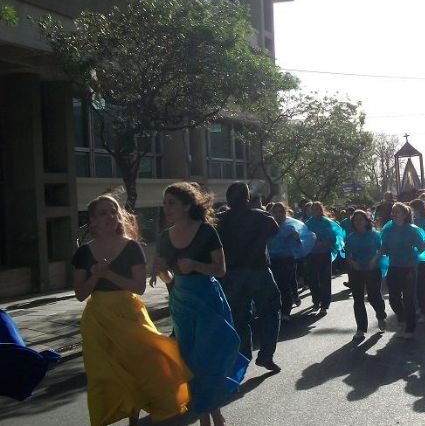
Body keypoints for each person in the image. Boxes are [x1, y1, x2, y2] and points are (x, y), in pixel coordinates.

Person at [73, 195, 191, 426]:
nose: (109, 216)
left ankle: (134, 415)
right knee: (102, 376)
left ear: (119, 216)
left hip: (128, 313)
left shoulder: (131, 247)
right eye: (103, 213)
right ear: (93, 220)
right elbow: (80, 294)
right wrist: (96, 275)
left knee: (144, 364)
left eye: (113, 211)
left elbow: (139, 287)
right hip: (97, 318)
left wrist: (107, 274)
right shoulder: (84, 253)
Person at [151, 182, 247, 426]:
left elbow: (221, 270)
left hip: (208, 297)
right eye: (165, 203)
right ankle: (208, 414)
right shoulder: (164, 237)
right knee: (190, 361)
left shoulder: (206, 232)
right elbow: (165, 276)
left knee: (210, 357)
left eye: (171, 203)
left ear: (186, 205)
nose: (166, 208)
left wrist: (195, 266)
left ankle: (210, 411)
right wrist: (163, 274)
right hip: (181, 302)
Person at [216, 183, 282, 372]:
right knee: (270, 310)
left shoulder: (219, 220)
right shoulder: (261, 217)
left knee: (239, 316)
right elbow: (274, 232)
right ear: (248, 198)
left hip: (231, 274)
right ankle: (266, 355)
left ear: (227, 199)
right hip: (259, 270)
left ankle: (242, 358)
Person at [379, 202, 425, 339]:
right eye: (393, 212)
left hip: (409, 267)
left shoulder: (412, 229)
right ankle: (403, 317)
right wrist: (376, 256)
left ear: (405, 214)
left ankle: (410, 328)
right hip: (394, 266)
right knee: (393, 298)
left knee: (408, 298)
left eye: (397, 212)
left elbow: (420, 247)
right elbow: (384, 248)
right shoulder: (388, 230)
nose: (394, 214)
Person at [344, 210, 387, 341]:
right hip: (356, 270)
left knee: (374, 296)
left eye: (360, 219)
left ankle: (380, 315)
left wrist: (375, 259)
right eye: (355, 220)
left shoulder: (375, 235)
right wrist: (352, 263)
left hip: (372, 269)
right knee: (358, 299)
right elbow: (347, 254)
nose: (358, 222)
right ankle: (361, 328)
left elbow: (382, 249)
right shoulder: (351, 237)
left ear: (366, 220)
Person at [304, 201, 345, 314]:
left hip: (324, 253)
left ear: (321, 210)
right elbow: (304, 237)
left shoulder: (328, 223)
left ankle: (325, 305)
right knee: (313, 279)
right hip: (312, 254)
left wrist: (327, 241)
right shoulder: (307, 224)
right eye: (313, 209)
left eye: (317, 209)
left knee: (325, 279)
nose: (314, 211)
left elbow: (337, 235)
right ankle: (316, 302)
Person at [269, 202, 302, 320]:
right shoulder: (268, 226)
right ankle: (276, 310)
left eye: (280, 212)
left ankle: (285, 312)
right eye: (275, 212)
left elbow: (298, 244)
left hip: (286, 260)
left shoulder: (289, 227)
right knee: (274, 287)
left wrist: (296, 237)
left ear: (285, 213)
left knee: (284, 286)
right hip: (271, 260)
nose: (278, 214)